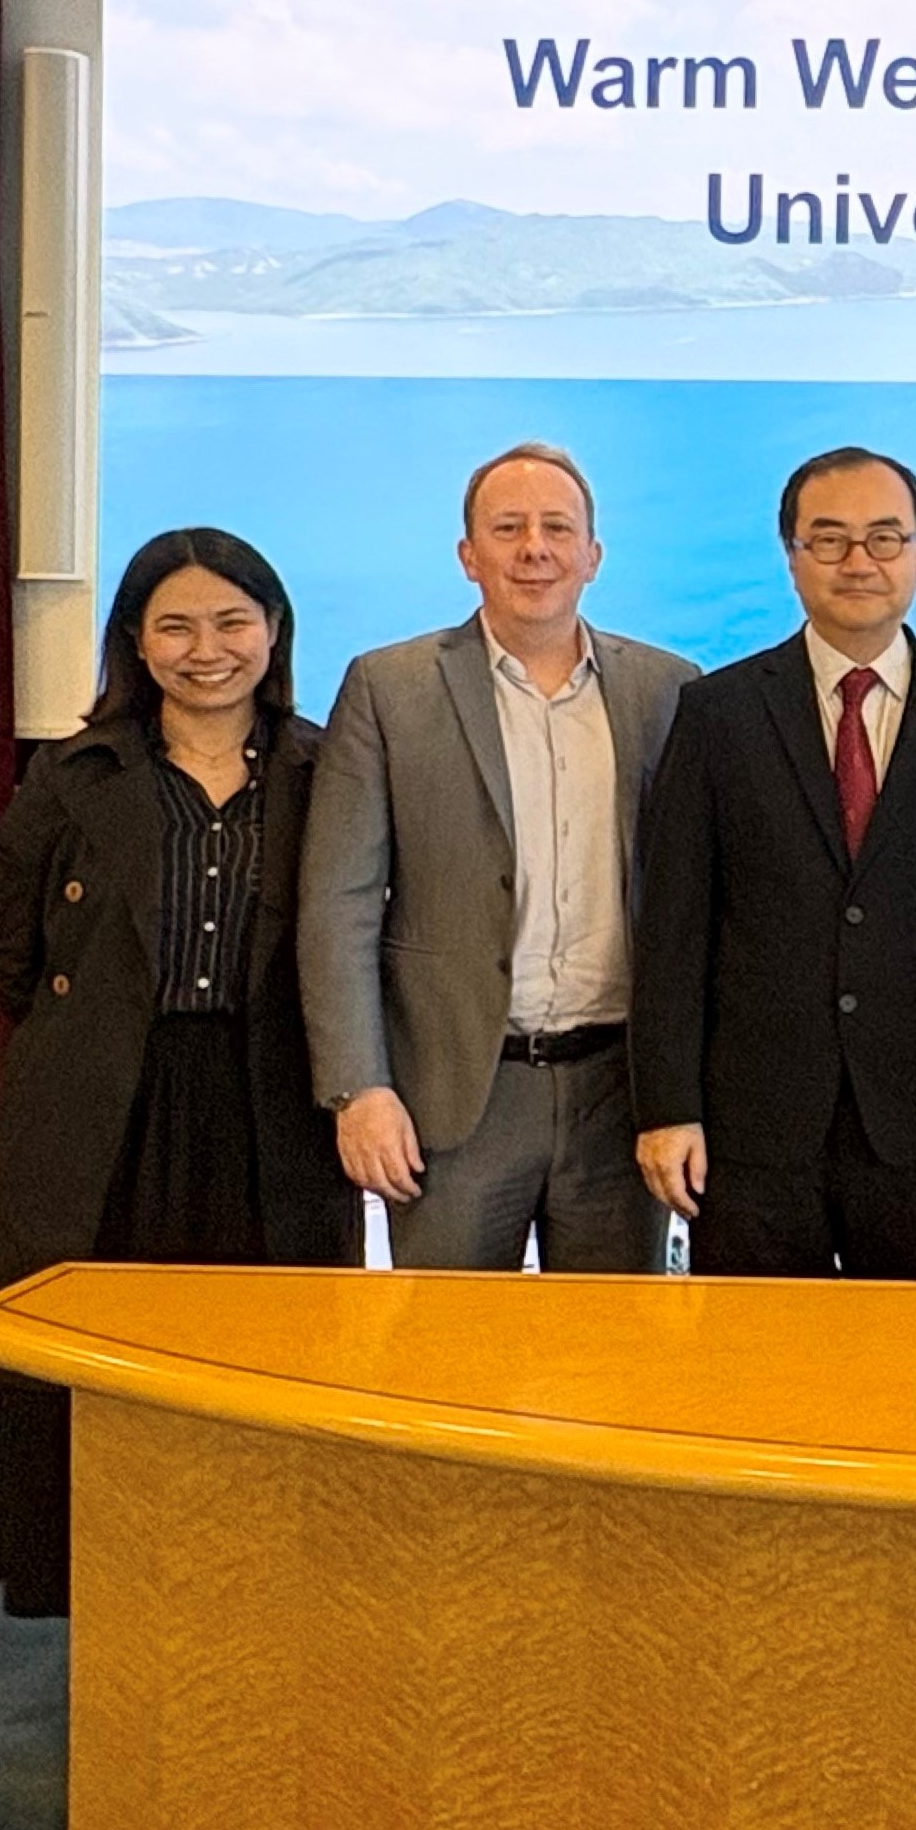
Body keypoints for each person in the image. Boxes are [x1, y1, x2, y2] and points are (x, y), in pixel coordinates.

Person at [0, 530, 358, 1617]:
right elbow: (13, 956)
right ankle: (107, 1612)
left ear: (273, 634)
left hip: (269, 1109)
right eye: (174, 625)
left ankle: (255, 1608)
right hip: (109, 1109)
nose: (206, 649)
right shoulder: (71, 776)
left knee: (265, 1367)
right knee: (103, 1366)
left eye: (232, 621)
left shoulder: (330, 770)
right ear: (135, 641)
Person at [300, 442, 699, 1272]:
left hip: (618, 1093)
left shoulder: (667, 689)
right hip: (454, 1096)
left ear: (593, 554)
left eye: (558, 527)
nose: (534, 549)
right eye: (508, 527)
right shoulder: (388, 687)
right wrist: (358, 1088)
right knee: (442, 1358)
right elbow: (337, 904)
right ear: (467, 555)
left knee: (607, 1366)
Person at [633, 447, 916, 1277]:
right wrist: (668, 1108)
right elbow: (674, 926)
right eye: (830, 539)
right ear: (792, 555)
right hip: (753, 1134)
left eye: (885, 538)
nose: (859, 562)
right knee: (757, 1382)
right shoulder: (718, 714)